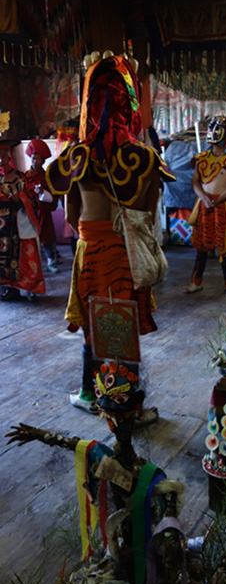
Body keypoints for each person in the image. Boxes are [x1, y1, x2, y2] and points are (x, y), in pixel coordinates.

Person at [46, 53, 175, 414]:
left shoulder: (77, 156)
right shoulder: (147, 159)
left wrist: (92, 233)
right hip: (126, 255)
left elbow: (70, 216)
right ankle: (128, 405)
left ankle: (91, 394)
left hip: (90, 252)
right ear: (129, 104)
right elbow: (148, 220)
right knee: (123, 328)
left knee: (92, 323)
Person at [185, 112, 226, 296]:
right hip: (204, 205)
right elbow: (195, 181)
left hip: (221, 205)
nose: (213, 131)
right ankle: (196, 281)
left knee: (224, 247)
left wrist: (218, 199)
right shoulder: (201, 158)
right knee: (201, 247)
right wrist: (202, 196)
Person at [0, 140, 45, 301]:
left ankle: (26, 288)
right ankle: (6, 288)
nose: (1, 159)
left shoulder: (20, 177)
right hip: (1, 228)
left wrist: (18, 198)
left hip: (17, 226)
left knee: (19, 255)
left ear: (9, 157)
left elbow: (33, 197)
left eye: (4, 156)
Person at [25, 138, 59, 273]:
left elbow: (53, 196)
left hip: (43, 211)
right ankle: (34, 264)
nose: (35, 162)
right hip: (30, 212)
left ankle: (51, 261)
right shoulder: (25, 176)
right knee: (32, 240)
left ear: (43, 161)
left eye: (38, 159)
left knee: (47, 239)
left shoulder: (46, 176)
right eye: (33, 158)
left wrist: (42, 192)